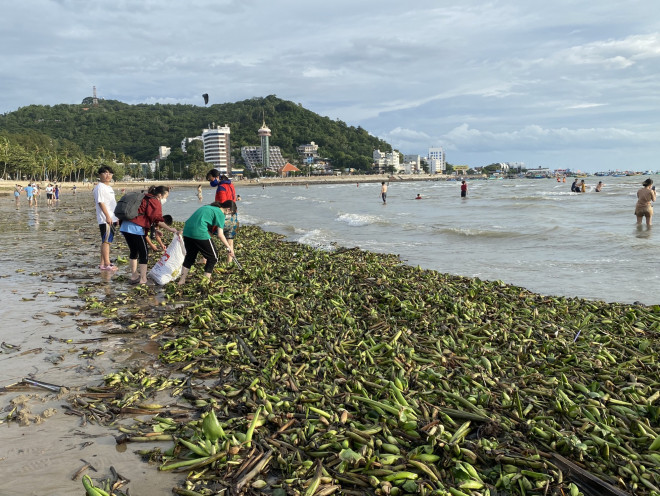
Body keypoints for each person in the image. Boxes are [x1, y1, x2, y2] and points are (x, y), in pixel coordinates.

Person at [120, 186, 178, 285]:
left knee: (134, 251)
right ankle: (143, 279)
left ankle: (134, 276)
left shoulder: (144, 197)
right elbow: (157, 219)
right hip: (135, 228)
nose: (166, 199)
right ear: (160, 195)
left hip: (125, 226)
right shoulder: (154, 201)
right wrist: (170, 229)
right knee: (144, 253)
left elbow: (145, 215)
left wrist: (155, 230)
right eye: (166, 196)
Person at [178, 201, 235, 285]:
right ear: (228, 209)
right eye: (231, 213)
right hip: (199, 232)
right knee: (213, 258)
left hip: (187, 231)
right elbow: (220, 234)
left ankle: (181, 280)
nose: (229, 215)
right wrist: (229, 248)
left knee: (190, 256)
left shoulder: (208, 207)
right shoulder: (220, 213)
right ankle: (205, 282)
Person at [93, 165, 120, 271]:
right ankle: (107, 264)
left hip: (112, 217)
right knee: (106, 241)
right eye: (105, 173)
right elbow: (101, 202)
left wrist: (116, 217)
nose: (108, 175)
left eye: (110, 173)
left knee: (106, 240)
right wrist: (108, 216)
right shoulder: (99, 187)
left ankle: (102, 263)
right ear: (100, 175)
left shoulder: (109, 187)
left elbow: (112, 204)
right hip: (105, 219)